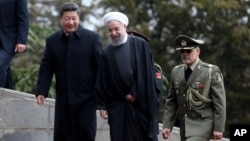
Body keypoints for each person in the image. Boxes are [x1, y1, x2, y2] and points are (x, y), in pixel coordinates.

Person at [36, 2, 103, 141]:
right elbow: (46, 67)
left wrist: (102, 100)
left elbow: (101, 70)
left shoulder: (92, 39)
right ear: (61, 19)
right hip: (63, 99)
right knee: (63, 135)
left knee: (85, 134)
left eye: (74, 18)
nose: (71, 22)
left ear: (79, 18)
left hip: (87, 99)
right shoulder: (52, 40)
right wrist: (42, 90)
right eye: (67, 18)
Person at [95, 12, 159, 141]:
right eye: (110, 30)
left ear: (124, 27)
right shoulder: (106, 53)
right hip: (117, 107)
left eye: (116, 29)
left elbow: (146, 72)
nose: (113, 33)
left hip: (140, 104)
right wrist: (102, 104)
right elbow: (102, 79)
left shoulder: (140, 44)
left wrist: (134, 92)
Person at [161, 35, 226, 141]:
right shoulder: (176, 72)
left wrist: (219, 128)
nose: (185, 54)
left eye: (188, 51)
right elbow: (171, 102)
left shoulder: (211, 71)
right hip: (184, 126)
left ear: (198, 51)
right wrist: (167, 125)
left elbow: (220, 103)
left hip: (203, 125)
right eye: (182, 51)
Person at [0, 0, 29, 89]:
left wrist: (22, 40)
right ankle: (10, 96)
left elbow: (23, 18)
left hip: (10, 40)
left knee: (0, 65)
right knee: (4, 69)